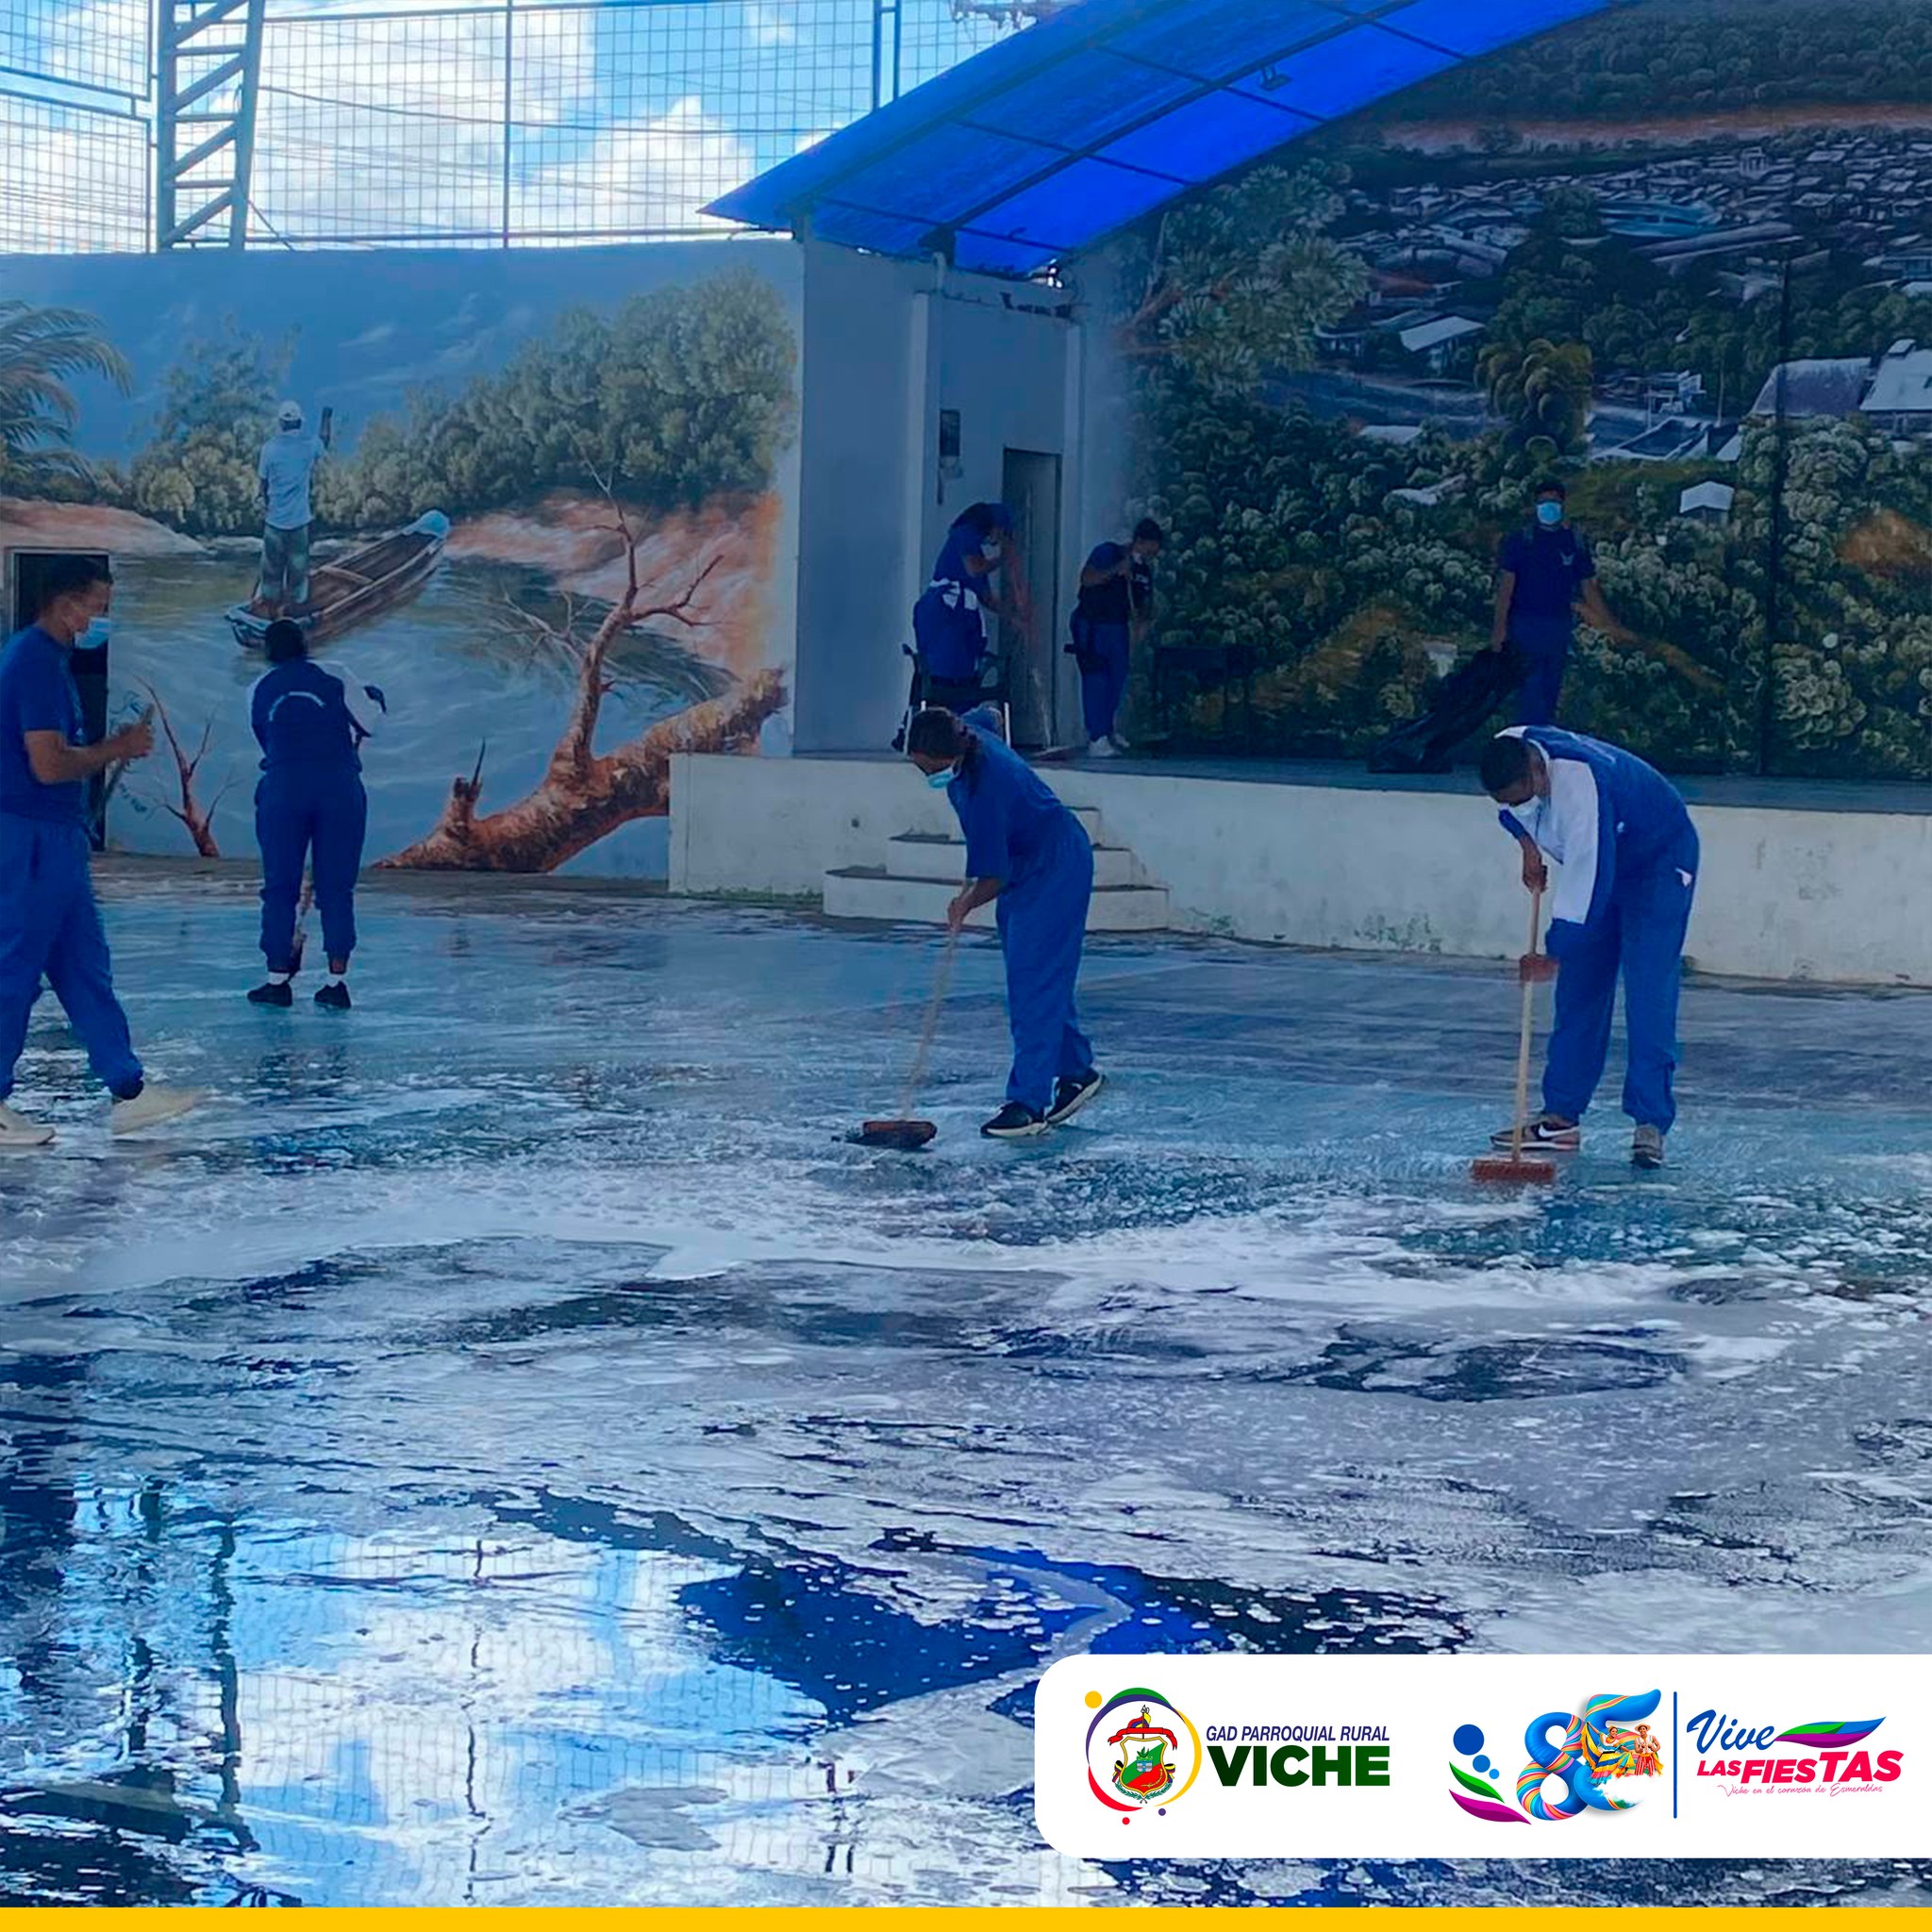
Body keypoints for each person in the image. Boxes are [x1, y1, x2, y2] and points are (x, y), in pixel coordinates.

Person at [0, 558, 199, 1147]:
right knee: (14, 966)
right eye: (99, 607)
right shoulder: (33, 662)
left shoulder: (51, 662)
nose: (102, 619)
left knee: (84, 965)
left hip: (57, 837)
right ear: (67, 605)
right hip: (28, 836)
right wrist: (117, 748)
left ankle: (127, 1090)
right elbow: (47, 764)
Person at [1479, 725, 1699, 1172]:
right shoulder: (1509, 748)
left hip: (1657, 862)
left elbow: (1589, 877)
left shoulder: (1581, 787)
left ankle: (1650, 1122)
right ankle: (1560, 1119)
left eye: (1526, 797)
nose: (1521, 806)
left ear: (1538, 770)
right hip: (1603, 854)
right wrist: (1528, 848)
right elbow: (1513, 813)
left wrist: (1554, 951)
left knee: (1648, 992)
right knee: (1578, 990)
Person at [904, 704, 1102, 1140]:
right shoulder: (969, 731)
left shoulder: (986, 793)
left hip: (1054, 867)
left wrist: (964, 904)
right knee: (1034, 976)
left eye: (930, 768)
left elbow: (994, 877)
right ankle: (1076, 1070)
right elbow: (989, 715)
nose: (926, 775)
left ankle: (1028, 1104)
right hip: (1027, 861)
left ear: (952, 756)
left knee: (1034, 982)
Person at [247, 619, 377, 1011]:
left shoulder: (257, 687)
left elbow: (265, 738)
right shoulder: (337, 674)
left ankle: (277, 981)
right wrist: (374, 697)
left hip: (283, 789)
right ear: (305, 645)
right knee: (336, 886)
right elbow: (369, 723)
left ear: (268, 651)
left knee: (280, 886)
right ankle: (336, 983)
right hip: (339, 789)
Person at [1489, 480, 1630, 726]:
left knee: (1551, 686)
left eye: (1553, 502)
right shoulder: (1520, 541)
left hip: (1559, 626)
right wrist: (1499, 629)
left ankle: (1543, 736)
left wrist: (1609, 625)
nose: (1548, 507)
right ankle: (1528, 737)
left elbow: (1588, 587)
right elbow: (1506, 589)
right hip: (1525, 624)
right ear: (1535, 506)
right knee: (1530, 685)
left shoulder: (1573, 542)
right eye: (1543, 502)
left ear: (1563, 505)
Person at [897, 503, 1025, 745]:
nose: (997, 541)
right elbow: (974, 568)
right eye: (1001, 533)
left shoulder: (975, 548)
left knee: (963, 674)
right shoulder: (966, 534)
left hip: (960, 620)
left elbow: (986, 597)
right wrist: (1003, 558)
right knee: (941, 673)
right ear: (994, 526)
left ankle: (955, 730)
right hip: (943, 614)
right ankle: (922, 730)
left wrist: (1013, 617)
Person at [1069, 517, 1163, 758]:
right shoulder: (1108, 553)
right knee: (1096, 678)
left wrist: (1142, 624)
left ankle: (1107, 728)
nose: (1149, 556)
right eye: (1148, 550)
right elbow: (1087, 578)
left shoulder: (1143, 571)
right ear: (1138, 542)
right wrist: (1115, 571)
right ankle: (1096, 736)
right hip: (1092, 624)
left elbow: (1142, 606)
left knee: (1117, 678)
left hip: (1118, 627)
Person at [253, 399, 332, 619]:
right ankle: (294, 616)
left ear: (281, 423)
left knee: (271, 574)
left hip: (274, 523)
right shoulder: (308, 446)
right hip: (299, 523)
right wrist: (326, 417)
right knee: (298, 573)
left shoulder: (268, 449)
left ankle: (270, 615)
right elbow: (324, 441)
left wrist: (264, 505)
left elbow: (262, 487)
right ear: (299, 422)